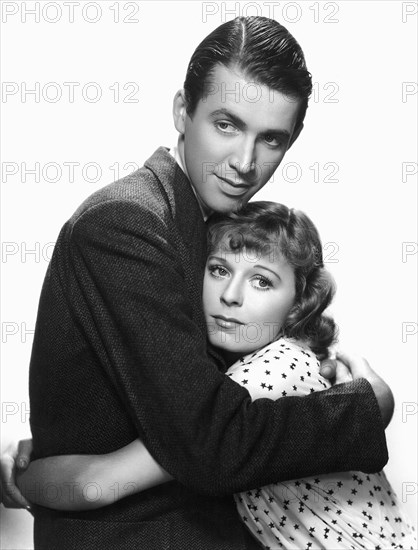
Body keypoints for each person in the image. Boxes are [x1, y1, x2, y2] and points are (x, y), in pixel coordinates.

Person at [1, 16, 392, 550]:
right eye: (227, 124)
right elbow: (208, 443)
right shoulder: (129, 222)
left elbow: (168, 407)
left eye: (271, 138)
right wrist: (366, 408)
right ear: (182, 111)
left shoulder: (206, 230)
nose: (245, 163)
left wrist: (40, 456)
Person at [15, 202, 415, 549]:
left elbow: (97, 484)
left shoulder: (271, 374)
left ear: (298, 304)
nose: (231, 295)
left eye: (261, 280)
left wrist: (17, 478)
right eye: (219, 269)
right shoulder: (244, 371)